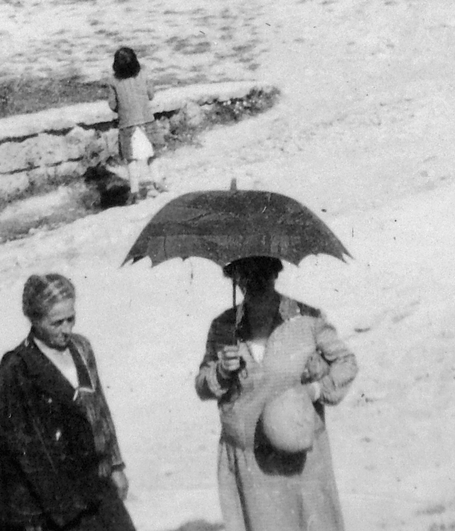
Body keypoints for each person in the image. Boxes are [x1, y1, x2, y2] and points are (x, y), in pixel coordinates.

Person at [195, 256, 358, 531]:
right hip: (250, 460)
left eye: (263, 271)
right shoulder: (223, 327)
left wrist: (315, 390)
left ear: (275, 272)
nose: (255, 281)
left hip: (301, 455)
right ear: (235, 277)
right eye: (245, 274)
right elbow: (202, 386)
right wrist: (221, 371)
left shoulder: (307, 318)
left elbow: (346, 362)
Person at [0, 274, 135, 531]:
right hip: (54, 498)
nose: (66, 330)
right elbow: (17, 448)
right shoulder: (18, 367)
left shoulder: (81, 348)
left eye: (71, 319)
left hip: (95, 480)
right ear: (35, 320)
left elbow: (100, 410)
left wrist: (115, 465)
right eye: (57, 323)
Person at [105, 47, 161, 202]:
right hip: (146, 120)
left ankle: (134, 191)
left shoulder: (113, 81)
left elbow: (112, 105)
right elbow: (151, 95)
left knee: (131, 158)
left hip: (127, 124)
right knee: (152, 153)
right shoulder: (143, 74)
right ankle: (158, 182)